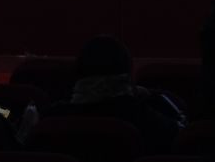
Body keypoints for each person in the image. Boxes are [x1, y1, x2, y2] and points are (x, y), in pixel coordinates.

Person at [39, 36, 184, 155]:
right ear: (127, 77)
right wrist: (153, 96)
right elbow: (182, 133)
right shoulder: (146, 119)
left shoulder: (49, 121)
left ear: (78, 73)